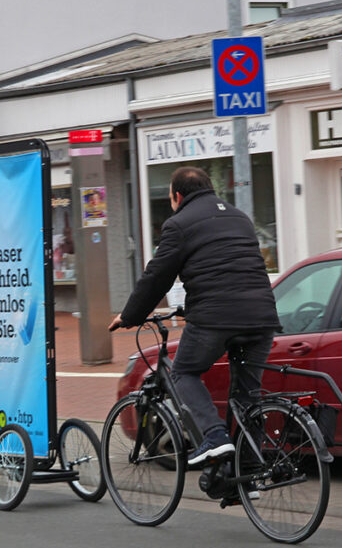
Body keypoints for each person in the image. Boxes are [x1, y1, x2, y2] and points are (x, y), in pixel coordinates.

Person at [109, 167, 280, 466]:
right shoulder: (240, 217)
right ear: (209, 188)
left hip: (216, 317)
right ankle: (249, 473)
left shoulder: (179, 224)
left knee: (184, 373)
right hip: (262, 316)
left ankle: (214, 437)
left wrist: (129, 315)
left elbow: (157, 277)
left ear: (177, 196)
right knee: (247, 396)